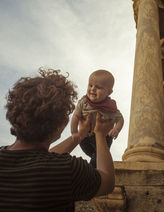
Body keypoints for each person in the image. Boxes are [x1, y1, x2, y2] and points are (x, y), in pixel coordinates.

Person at [0, 68, 115, 212]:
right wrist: (100, 134)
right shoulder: (67, 169)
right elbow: (107, 182)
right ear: (60, 124)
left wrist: (80, 134)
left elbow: (40, 158)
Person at [71, 69, 124, 168]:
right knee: (95, 155)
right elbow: (76, 116)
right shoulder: (84, 102)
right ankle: (97, 161)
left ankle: (93, 170)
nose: (93, 89)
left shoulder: (110, 107)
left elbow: (120, 119)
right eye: (90, 85)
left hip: (104, 137)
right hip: (85, 137)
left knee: (98, 156)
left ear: (109, 92)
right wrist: (74, 132)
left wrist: (116, 129)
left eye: (98, 87)